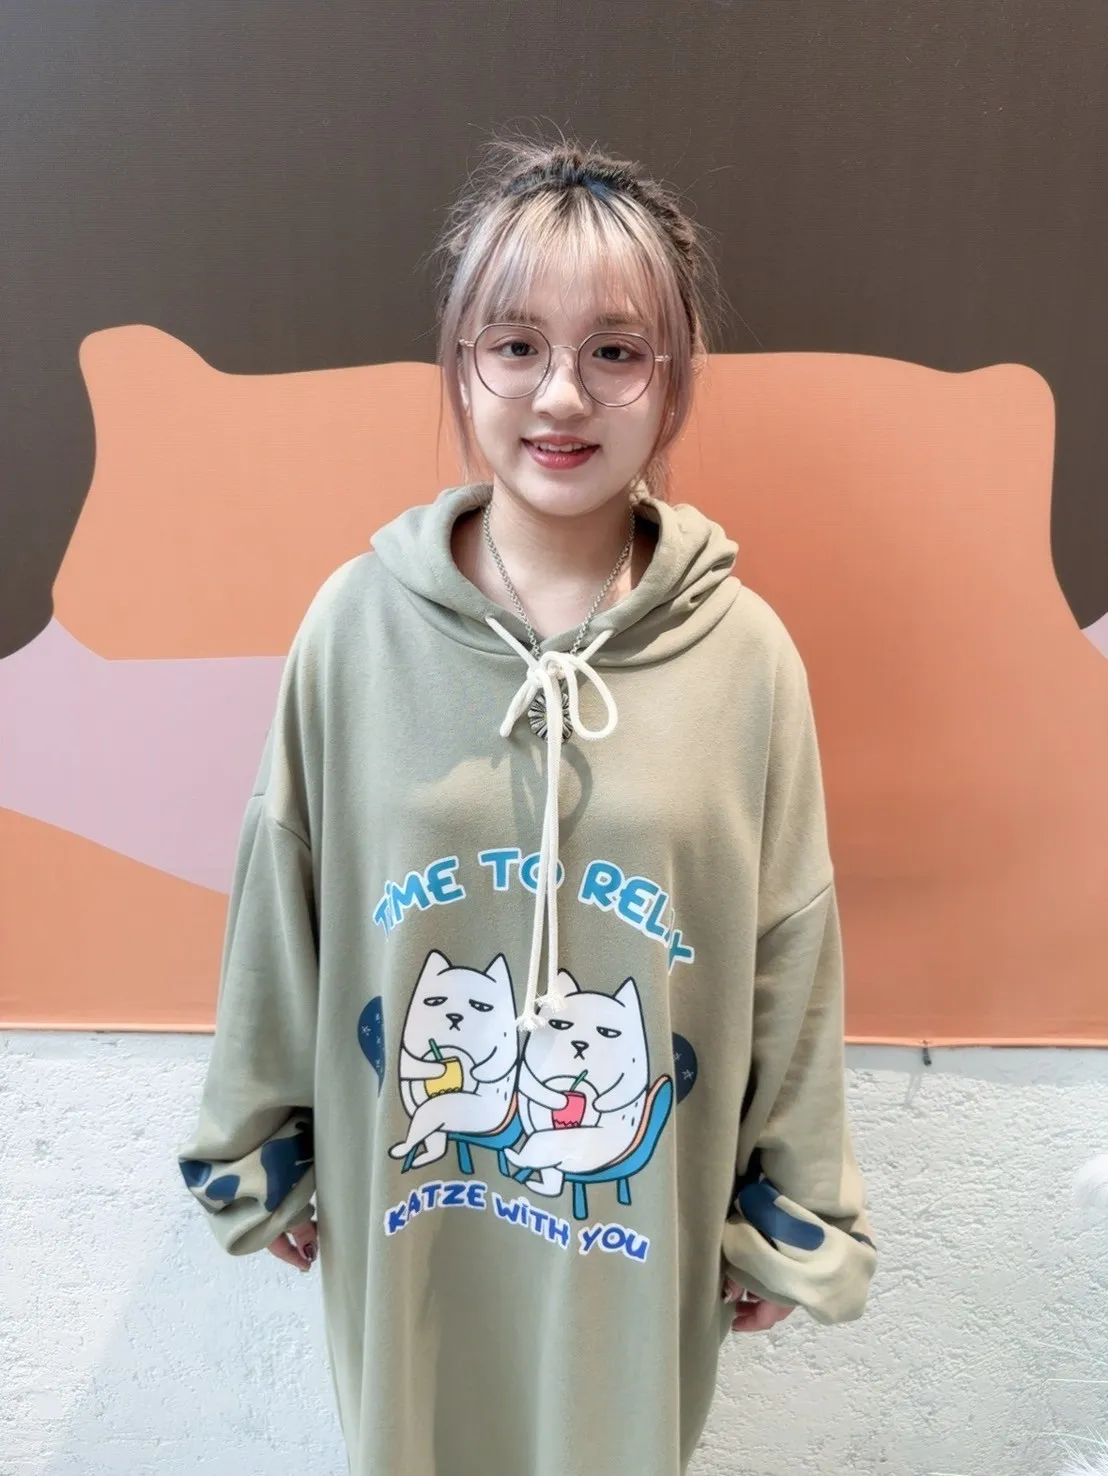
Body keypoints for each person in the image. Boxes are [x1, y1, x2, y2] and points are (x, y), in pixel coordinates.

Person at [176, 129, 877, 1476]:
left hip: (636, 1237)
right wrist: (260, 1142)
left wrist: (793, 1204)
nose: (562, 394)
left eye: (616, 350)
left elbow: (790, 945)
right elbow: (282, 897)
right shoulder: (355, 628)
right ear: (461, 362)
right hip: (411, 1222)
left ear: (673, 377)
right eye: (516, 345)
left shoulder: (745, 657)